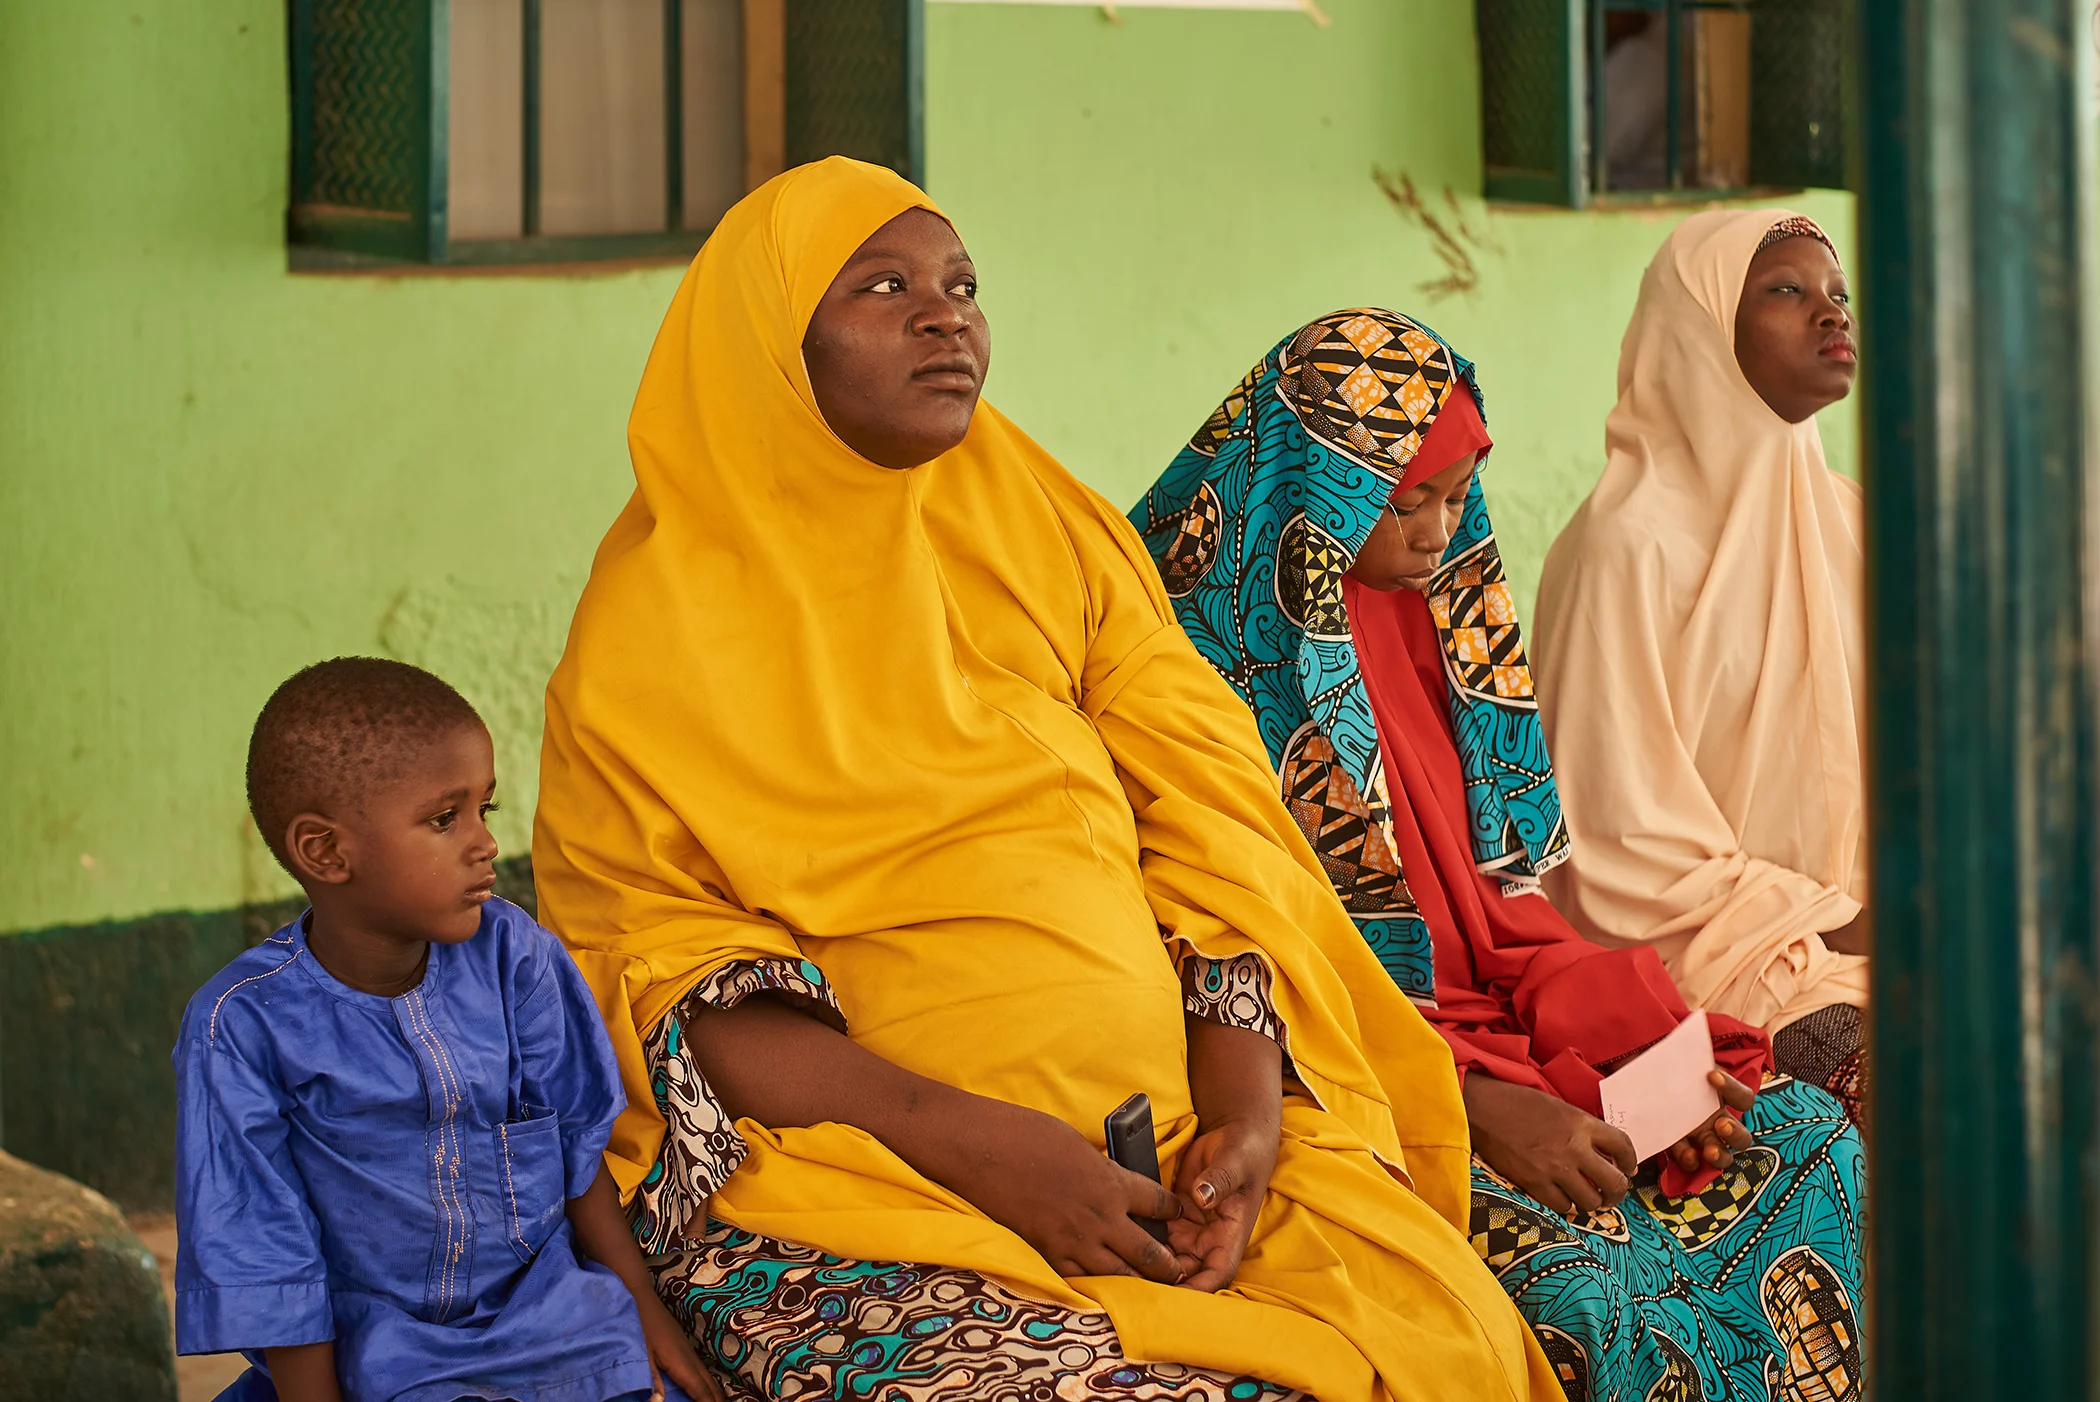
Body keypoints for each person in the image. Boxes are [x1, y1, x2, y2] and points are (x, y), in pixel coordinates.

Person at [532, 157, 1565, 1401]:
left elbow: (1213, 820)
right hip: (867, 1183)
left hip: (1176, 1136)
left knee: (1448, 1334)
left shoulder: (1048, 529)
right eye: (883, 286)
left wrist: (1241, 1115)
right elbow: (661, 967)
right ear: (765, 344)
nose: (945, 313)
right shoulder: (650, 638)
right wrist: (975, 1144)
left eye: (962, 283)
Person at [1132, 307, 1866, 1402]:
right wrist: (1471, 1103)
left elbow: (1503, 917)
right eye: (1406, 496)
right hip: (1344, 1088)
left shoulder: (1415, 628)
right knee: (1577, 1291)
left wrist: (1659, 1063)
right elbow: (1237, 961)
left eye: (1457, 492)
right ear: (1309, 491)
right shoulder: (1197, 675)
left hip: (1497, 1058)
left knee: (1810, 1143)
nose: (1438, 532)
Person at [174, 658, 713, 1402]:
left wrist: (645, 1315)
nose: (484, 843)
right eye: (442, 819)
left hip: (552, 1324)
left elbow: (575, 1149)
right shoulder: (242, 1027)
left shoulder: (515, 957)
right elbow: (266, 1252)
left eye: (483, 810)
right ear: (326, 852)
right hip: (374, 1354)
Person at [1530, 211, 1869, 1124]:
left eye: (1838, 294)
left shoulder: (1852, 522)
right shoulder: (1623, 548)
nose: (1831, 315)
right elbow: (1615, 852)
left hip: (1873, 937)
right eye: (1786, 292)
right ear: (1702, 331)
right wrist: (1839, 921)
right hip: (1719, 964)